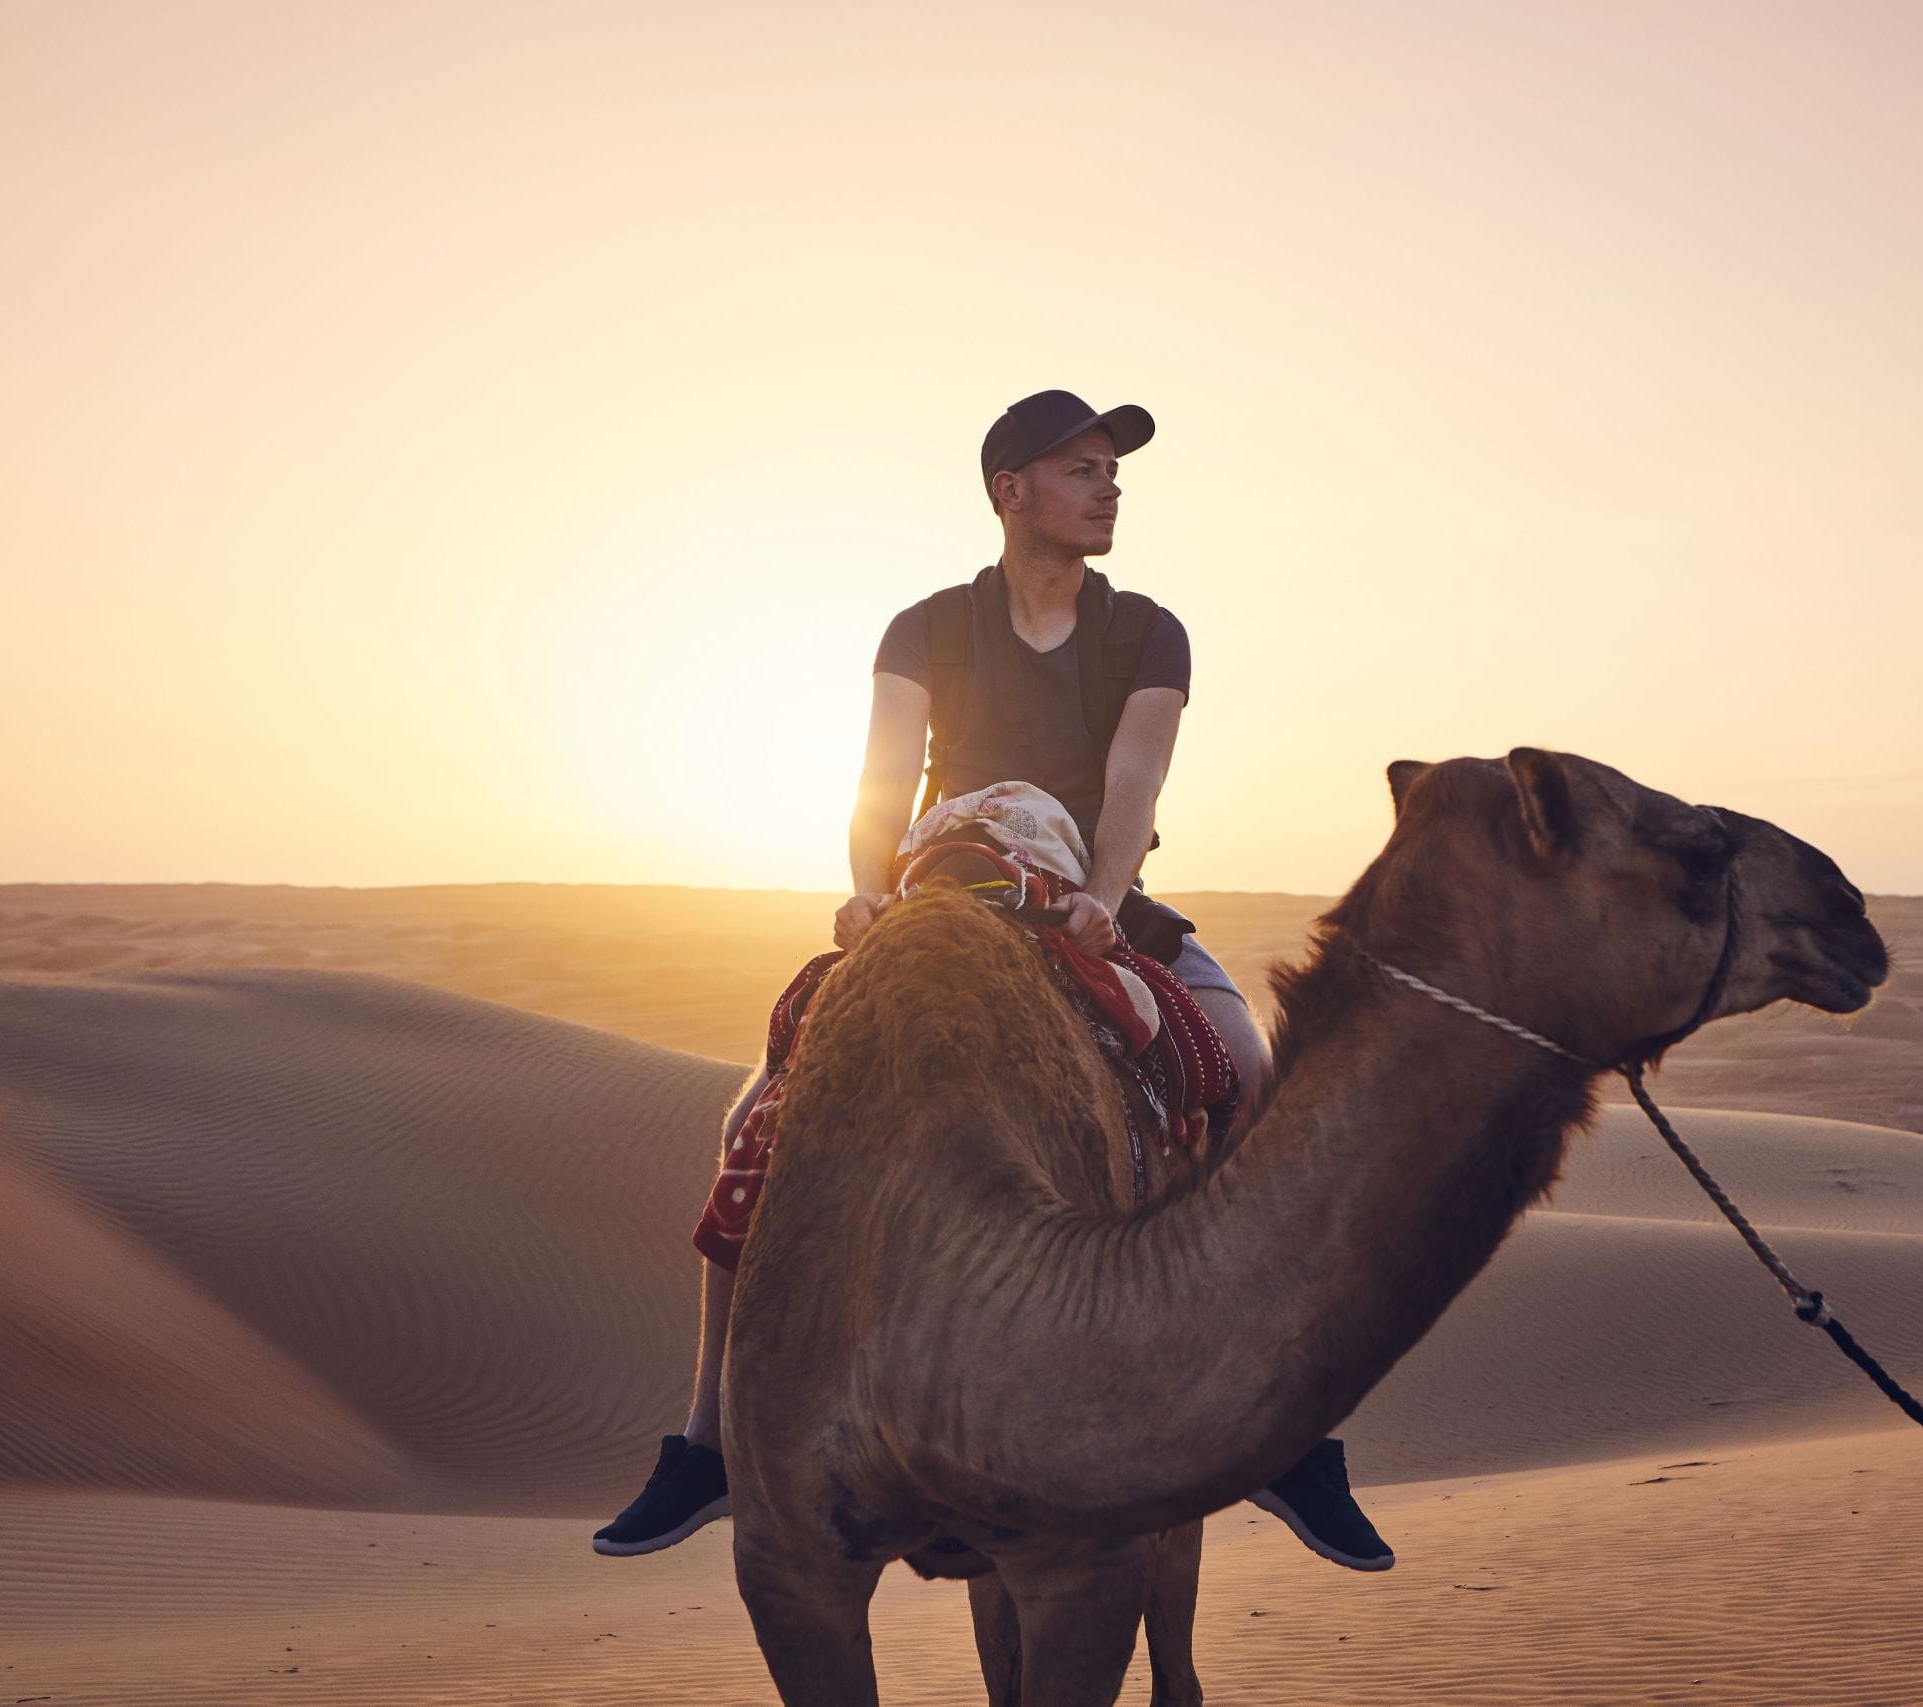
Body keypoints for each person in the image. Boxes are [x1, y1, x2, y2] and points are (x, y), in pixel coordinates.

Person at [592, 389, 1394, 1572]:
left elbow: (1135, 782)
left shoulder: (1148, 632)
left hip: (1098, 895)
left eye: (1113, 470)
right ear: (1010, 490)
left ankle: (1285, 1436)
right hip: (940, 897)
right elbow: (883, 773)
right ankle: (709, 1442)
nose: (1109, 486)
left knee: (1255, 1080)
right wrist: (867, 889)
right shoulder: (925, 628)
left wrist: (1106, 905)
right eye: (1082, 468)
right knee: (760, 1118)